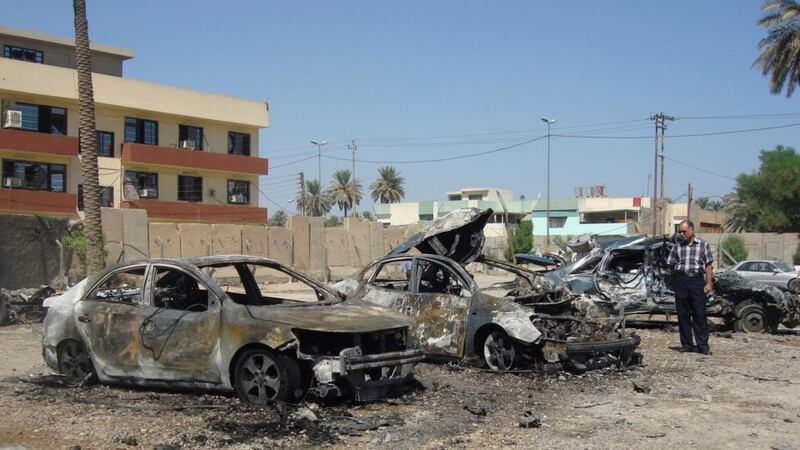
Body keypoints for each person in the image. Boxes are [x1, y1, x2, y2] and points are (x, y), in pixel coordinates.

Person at [666, 220, 714, 355]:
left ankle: (703, 346)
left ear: (692, 230)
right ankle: (687, 345)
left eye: (684, 231)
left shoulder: (703, 245)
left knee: (699, 314)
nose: (682, 234)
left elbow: (708, 265)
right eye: (680, 231)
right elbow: (670, 265)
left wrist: (709, 283)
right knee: (683, 315)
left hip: (697, 281)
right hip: (682, 281)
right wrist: (672, 279)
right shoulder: (677, 246)